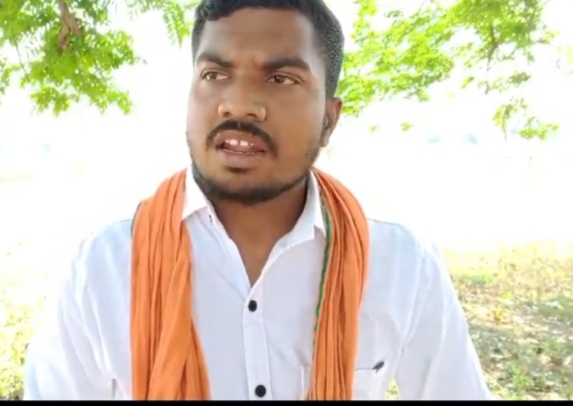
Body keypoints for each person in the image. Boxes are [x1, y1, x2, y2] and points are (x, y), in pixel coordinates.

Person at [23, 0, 493, 401]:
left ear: (329, 120)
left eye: (281, 79)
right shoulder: (102, 268)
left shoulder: (402, 266)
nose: (239, 103)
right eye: (214, 74)